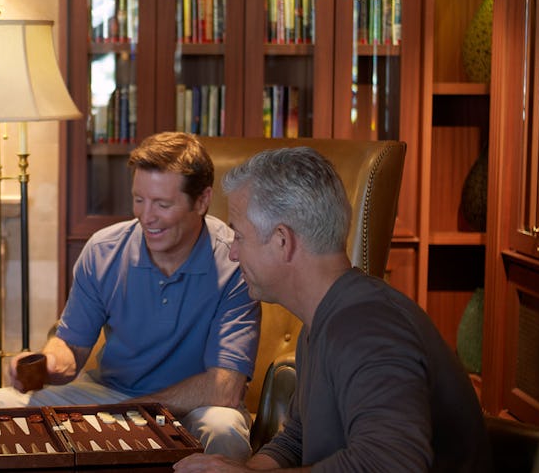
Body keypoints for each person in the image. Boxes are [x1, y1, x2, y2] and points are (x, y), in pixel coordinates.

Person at [174, 147, 492, 472]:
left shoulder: (369, 328)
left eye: (239, 237)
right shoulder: (324, 318)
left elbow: (391, 464)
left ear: (282, 241)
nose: (233, 254)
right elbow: (296, 440)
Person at [0, 132, 261, 459]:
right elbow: (72, 346)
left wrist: (129, 412)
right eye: (139, 199)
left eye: (162, 204)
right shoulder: (103, 251)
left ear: (202, 201)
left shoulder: (234, 260)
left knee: (225, 431)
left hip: (196, 406)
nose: (146, 217)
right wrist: (48, 363)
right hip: (110, 394)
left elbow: (225, 386)